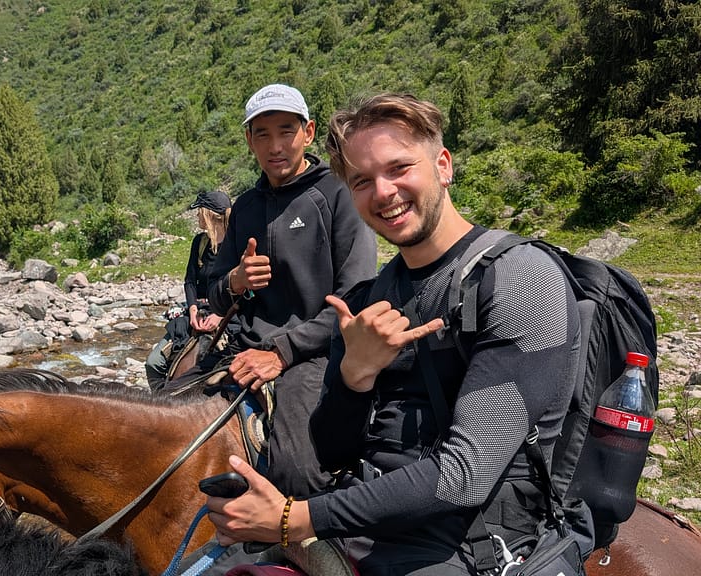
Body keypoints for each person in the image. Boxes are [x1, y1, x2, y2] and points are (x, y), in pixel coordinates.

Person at [204, 93, 580, 575]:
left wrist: (298, 517)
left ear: (443, 165)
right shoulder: (367, 299)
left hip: (469, 538)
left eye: (399, 168)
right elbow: (333, 452)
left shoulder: (523, 279)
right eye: (362, 180)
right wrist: (354, 375)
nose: (383, 192)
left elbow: (465, 473)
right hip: (369, 514)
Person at [169, 83, 378, 499]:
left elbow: (355, 297)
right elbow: (213, 294)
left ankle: (316, 544)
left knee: (299, 470)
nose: (275, 145)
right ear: (249, 140)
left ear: (309, 132)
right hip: (245, 345)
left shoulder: (337, 194)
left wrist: (283, 351)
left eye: (286, 130)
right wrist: (235, 281)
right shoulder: (245, 208)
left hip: (314, 353)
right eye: (262, 134)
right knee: (160, 408)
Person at [145, 190, 233, 390]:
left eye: (199, 212)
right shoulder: (199, 243)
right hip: (197, 313)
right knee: (154, 363)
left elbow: (245, 290)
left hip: (229, 316)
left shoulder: (236, 245)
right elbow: (190, 281)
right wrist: (192, 309)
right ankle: (159, 404)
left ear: (209, 215)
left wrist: (220, 316)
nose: (196, 216)